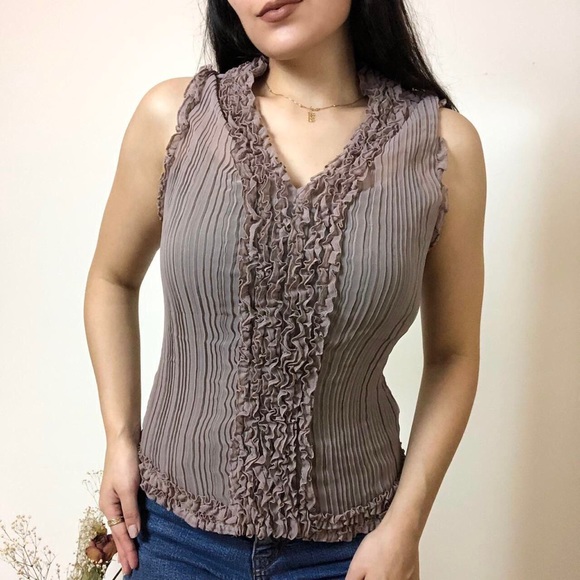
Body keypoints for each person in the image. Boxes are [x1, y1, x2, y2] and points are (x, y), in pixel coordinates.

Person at [83, 0, 486, 578]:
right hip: (171, 536)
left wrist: (406, 524)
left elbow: (453, 355)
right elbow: (111, 279)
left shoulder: (443, 148)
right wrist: (120, 438)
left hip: (351, 549)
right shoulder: (177, 117)